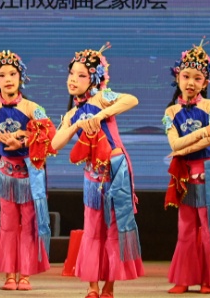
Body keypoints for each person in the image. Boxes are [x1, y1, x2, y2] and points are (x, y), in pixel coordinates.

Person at [51, 44, 143, 298]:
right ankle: (92, 286)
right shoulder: (71, 114)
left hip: (115, 170)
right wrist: (76, 125)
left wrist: (101, 115)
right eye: (72, 74)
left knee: (114, 228)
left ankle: (109, 287)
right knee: (92, 230)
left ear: (93, 79)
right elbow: (55, 144)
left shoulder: (101, 98)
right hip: (93, 176)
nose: (73, 79)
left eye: (81, 75)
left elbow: (131, 99)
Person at [0, 48, 55, 291]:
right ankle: (10, 275)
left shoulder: (32, 107)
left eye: (12, 74)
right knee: (8, 223)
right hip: (7, 173)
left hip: (30, 173)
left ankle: (26, 275)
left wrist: (25, 140)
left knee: (29, 223)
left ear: (21, 77)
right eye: (2, 75)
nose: (8, 79)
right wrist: (2, 137)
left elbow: (51, 134)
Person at [163, 40, 210, 295]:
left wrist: (182, 149)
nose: (190, 82)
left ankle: (208, 280)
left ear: (205, 82)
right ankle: (183, 279)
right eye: (186, 76)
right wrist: (201, 133)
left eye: (197, 78)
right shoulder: (170, 112)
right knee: (186, 229)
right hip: (184, 173)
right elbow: (174, 143)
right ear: (177, 78)